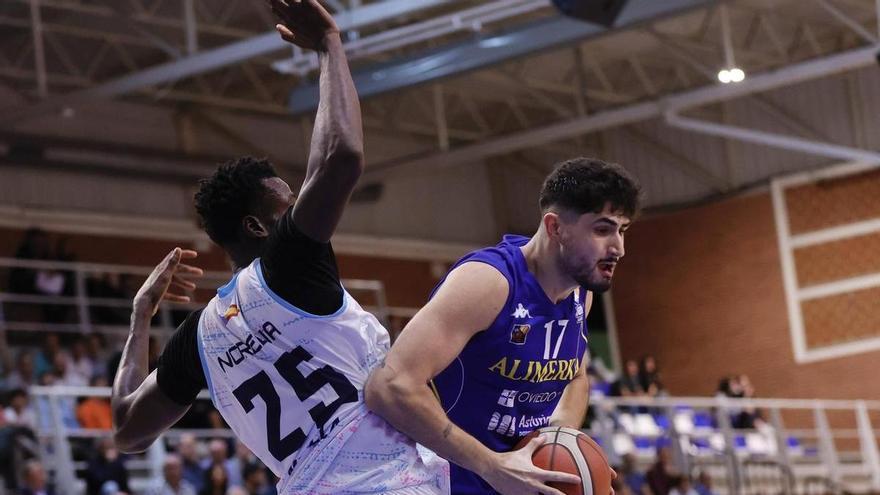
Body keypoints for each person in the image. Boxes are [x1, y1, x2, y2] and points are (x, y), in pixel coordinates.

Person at [109, 1, 448, 494]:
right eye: (288, 206)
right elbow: (341, 156)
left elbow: (125, 429)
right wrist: (330, 46)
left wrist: (141, 317)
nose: (300, 210)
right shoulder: (288, 264)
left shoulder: (198, 338)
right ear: (258, 226)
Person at [367, 157, 640, 494]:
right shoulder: (489, 283)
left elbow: (576, 376)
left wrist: (558, 445)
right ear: (555, 227)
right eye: (603, 229)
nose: (619, 248)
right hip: (446, 484)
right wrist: (491, 465)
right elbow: (388, 386)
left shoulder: (581, 295)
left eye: (622, 230)